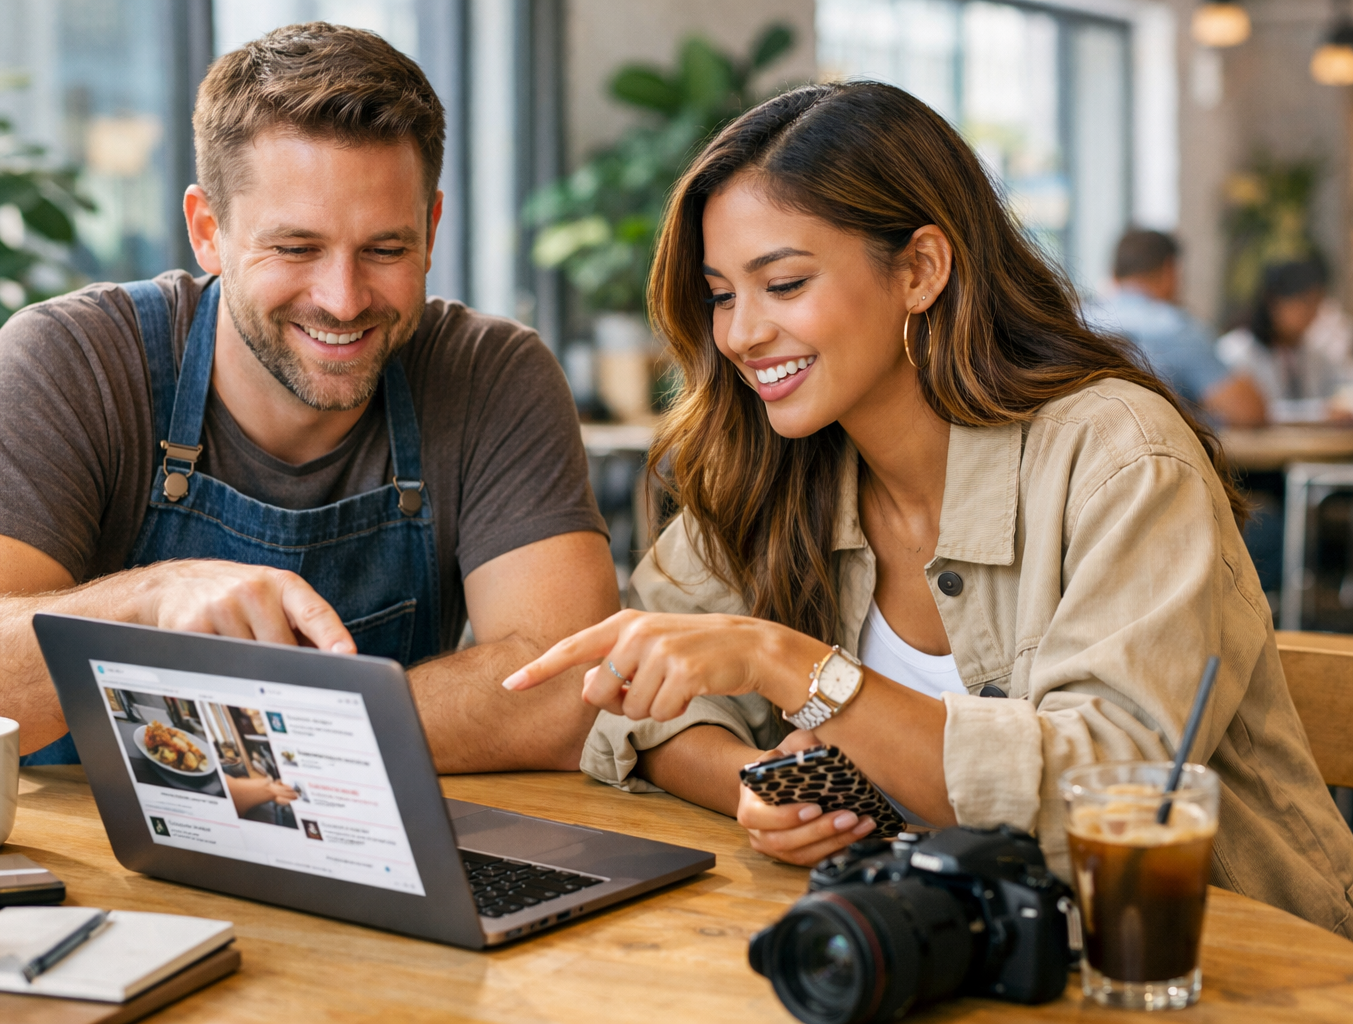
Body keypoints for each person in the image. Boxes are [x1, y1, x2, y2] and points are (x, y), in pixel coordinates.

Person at [504, 82, 1353, 935]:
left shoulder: (1118, 456)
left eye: (785, 283)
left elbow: (1110, 797)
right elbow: (642, 703)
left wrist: (789, 665)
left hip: (1214, 962)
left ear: (920, 270)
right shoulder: (780, 465)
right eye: (722, 294)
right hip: (946, 946)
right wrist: (758, 788)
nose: (739, 334)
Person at [0, 23, 620, 772]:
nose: (342, 299)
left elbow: (565, 693)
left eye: (385, 249)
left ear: (430, 231)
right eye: (296, 248)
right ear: (208, 230)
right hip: (92, 871)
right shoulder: (71, 362)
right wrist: (153, 600)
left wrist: (255, 736)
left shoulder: (492, 374)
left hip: (370, 870)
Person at [1089, 229, 1265, 426]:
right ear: (1170, 271)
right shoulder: (1176, 327)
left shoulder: (1078, 321)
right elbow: (1249, 412)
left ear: (1113, 272)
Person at [1217, 259, 1346, 421]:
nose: (1313, 313)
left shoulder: (1315, 354)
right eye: (1305, 303)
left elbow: (1341, 387)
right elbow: (1250, 410)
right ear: (1273, 302)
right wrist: (1318, 412)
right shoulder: (1236, 351)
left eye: (1317, 304)